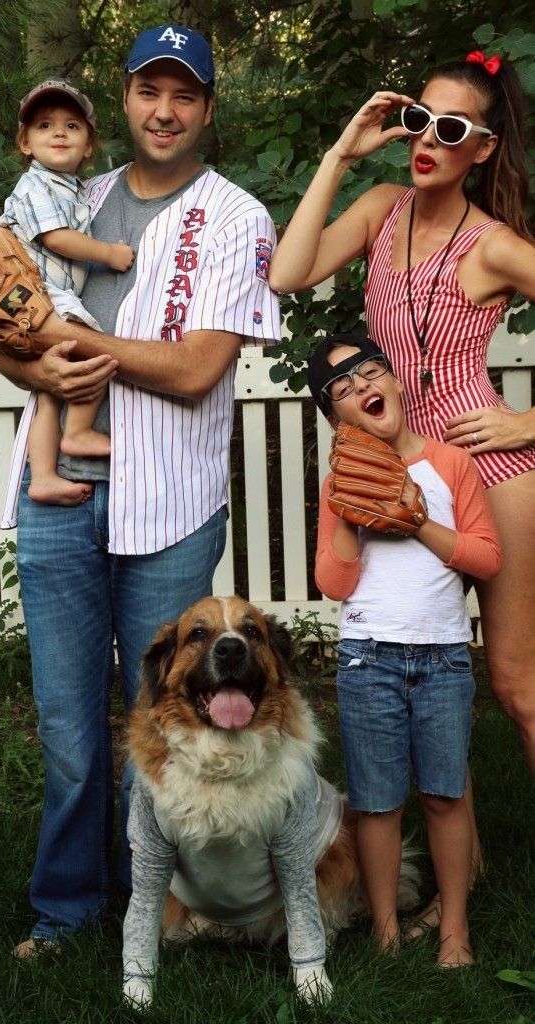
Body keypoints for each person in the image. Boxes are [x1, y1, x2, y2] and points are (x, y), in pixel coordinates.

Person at [0, 23, 281, 957]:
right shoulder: (77, 195)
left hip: (169, 500)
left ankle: (164, 902)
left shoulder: (237, 215)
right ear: (123, 97)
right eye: (149, 91)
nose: (164, 110)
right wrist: (35, 369)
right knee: (72, 728)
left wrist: (78, 352)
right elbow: (7, 318)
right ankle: (70, 907)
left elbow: (198, 369)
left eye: (185, 94)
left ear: (206, 108)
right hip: (58, 496)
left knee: (167, 713)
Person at [269, 52, 535, 932]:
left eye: (452, 130)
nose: (428, 140)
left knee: (514, 685)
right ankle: (470, 877)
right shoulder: (382, 211)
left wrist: (528, 425)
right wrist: (344, 152)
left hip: (487, 466)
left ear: (483, 148)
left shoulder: (497, 242)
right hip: (394, 469)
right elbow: (288, 273)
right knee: (420, 664)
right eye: (420, 120)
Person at [307, 332, 501, 965]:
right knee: (376, 800)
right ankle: (386, 933)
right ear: (335, 414)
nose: (361, 388)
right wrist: (352, 520)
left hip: (443, 656)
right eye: (341, 389)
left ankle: (454, 933)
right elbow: (333, 583)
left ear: (395, 381)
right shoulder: (344, 480)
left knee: (445, 794)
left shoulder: (450, 465)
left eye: (369, 373)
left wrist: (414, 520)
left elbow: (488, 558)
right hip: (368, 657)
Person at [0, 78, 136, 506]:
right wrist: (109, 254)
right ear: (25, 142)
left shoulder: (72, 187)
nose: (59, 133)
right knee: (90, 348)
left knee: (47, 391)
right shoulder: (36, 185)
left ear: (89, 146)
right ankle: (77, 433)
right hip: (41, 295)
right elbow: (56, 237)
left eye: (72, 126)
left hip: (37, 299)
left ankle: (41, 475)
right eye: (44, 125)